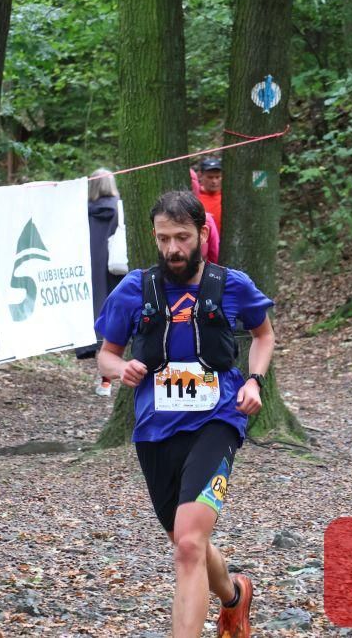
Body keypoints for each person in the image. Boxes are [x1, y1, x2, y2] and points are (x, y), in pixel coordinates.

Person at [96, 190, 275, 638]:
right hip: (155, 429)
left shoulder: (231, 284)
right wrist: (121, 368)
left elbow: (264, 335)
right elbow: (106, 354)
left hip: (217, 421)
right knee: (186, 541)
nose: (173, 249)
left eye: (182, 237)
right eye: (163, 239)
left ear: (203, 233)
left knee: (189, 544)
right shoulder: (135, 289)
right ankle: (234, 596)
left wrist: (254, 381)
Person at [76, 168, 123, 397]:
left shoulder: (80, 212)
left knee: (93, 318)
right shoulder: (120, 209)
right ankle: (106, 380)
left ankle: (102, 376)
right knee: (112, 323)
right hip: (114, 271)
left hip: (89, 272)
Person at [197, 157, 223, 236]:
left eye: (217, 177)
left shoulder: (228, 197)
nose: (214, 181)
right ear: (200, 176)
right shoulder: (195, 198)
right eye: (210, 177)